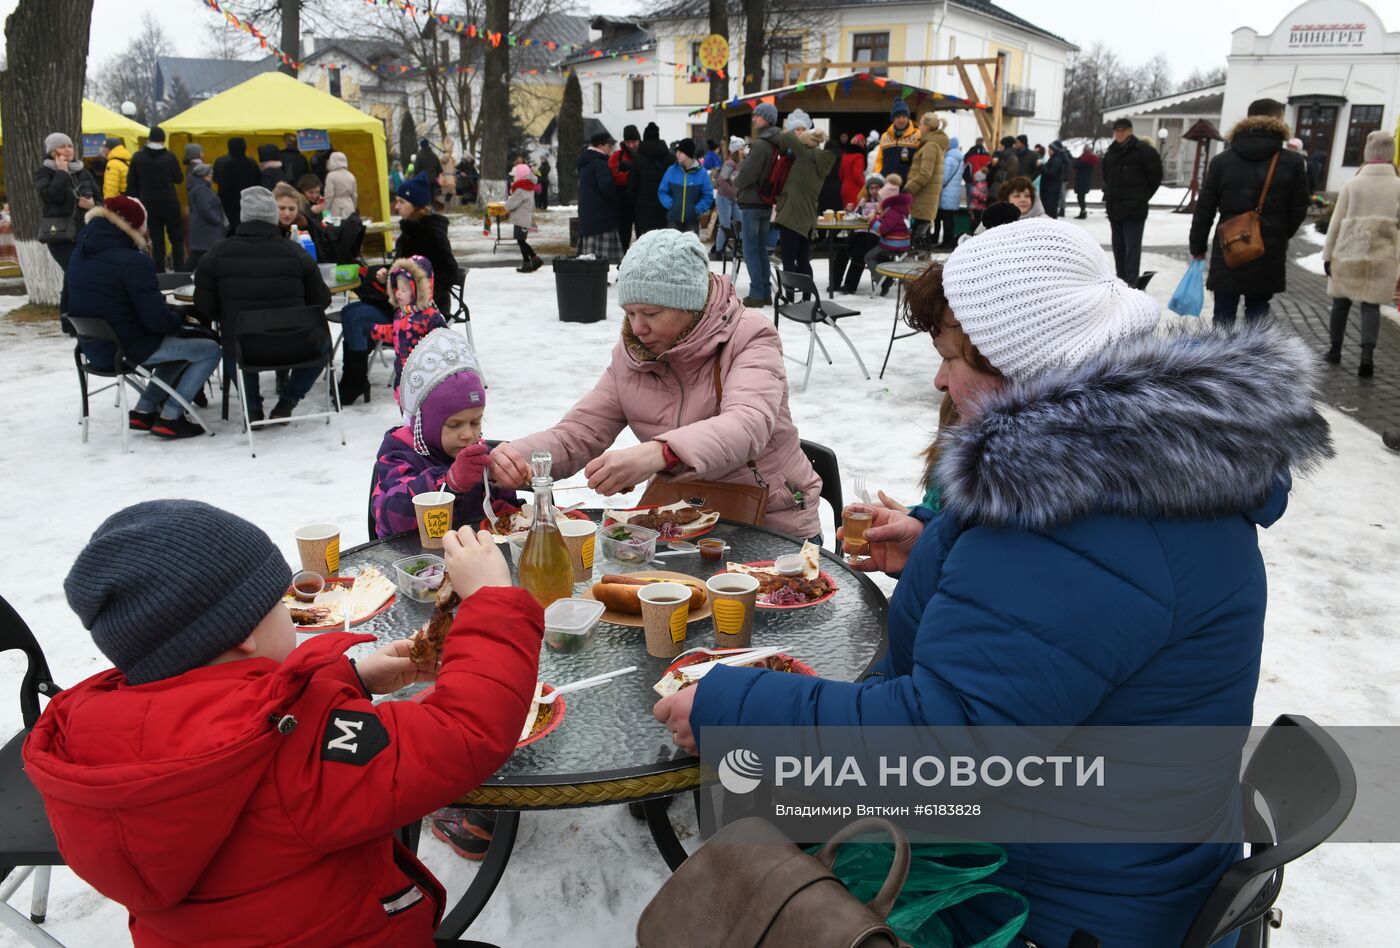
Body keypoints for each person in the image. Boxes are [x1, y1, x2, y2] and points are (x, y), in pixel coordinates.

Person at [655, 218, 1334, 948]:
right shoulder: (1146, 460)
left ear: (1024, 369)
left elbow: (947, 749)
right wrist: (940, 542)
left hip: (1047, 899)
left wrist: (735, 708)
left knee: (759, 839)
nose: (941, 379)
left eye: (951, 357)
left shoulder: (1078, 515)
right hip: (1132, 846)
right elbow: (1061, 628)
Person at [24, 499, 542, 945]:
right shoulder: (298, 759)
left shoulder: (103, 734)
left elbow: (232, 715)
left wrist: (351, 678)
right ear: (243, 635)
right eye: (280, 604)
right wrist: (491, 603)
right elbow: (463, 735)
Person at [491, 229, 822, 538]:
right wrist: (519, 458)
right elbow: (579, 432)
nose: (637, 329)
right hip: (679, 521)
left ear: (690, 305)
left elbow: (747, 424)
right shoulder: (632, 355)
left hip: (771, 524)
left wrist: (659, 453)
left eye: (650, 313)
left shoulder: (749, 336)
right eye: (630, 313)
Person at [65, 195, 219, 439]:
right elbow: (156, 320)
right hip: (127, 349)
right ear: (134, 226)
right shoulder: (133, 261)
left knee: (183, 351)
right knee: (209, 348)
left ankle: (144, 410)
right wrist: (179, 318)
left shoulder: (79, 255)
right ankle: (172, 416)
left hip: (94, 347)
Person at [193, 186, 333, 422]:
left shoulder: (216, 255)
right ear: (272, 215)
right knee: (323, 347)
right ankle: (288, 401)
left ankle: (252, 408)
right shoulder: (296, 253)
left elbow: (205, 307)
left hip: (244, 348)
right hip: (297, 344)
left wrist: (226, 315)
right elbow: (321, 300)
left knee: (233, 341)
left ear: (243, 215)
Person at [372, 328, 517, 538]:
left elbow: (503, 518)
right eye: (454, 425)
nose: (468, 434)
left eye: (475, 421)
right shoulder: (398, 454)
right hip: (418, 560)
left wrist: (504, 484)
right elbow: (390, 515)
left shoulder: (480, 456)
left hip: (481, 560)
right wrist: (449, 484)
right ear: (426, 424)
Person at [337, 171, 459, 405]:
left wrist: (418, 296)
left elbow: (447, 273)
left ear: (417, 205)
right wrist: (390, 275)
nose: (396, 206)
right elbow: (407, 268)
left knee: (354, 316)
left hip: (420, 314)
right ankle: (355, 378)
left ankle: (355, 381)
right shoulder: (412, 228)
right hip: (401, 304)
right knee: (351, 312)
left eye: (402, 201)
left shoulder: (430, 232)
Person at [1189, 98, 1309, 327]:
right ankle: (1255, 359)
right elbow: (1299, 209)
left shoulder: (1222, 161)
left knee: (1223, 313)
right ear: (1278, 120)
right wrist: (1279, 233)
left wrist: (1198, 246)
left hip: (1229, 244)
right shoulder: (1292, 162)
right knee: (1258, 310)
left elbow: (1204, 208)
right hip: (1267, 248)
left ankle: (1221, 360)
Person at [1322, 130, 1400, 378]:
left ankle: (1335, 349)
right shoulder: (1398, 185)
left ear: (1367, 153)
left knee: (1340, 303)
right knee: (1371, 307)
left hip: (1350, 249)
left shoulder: (1353, 183)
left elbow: (1336, 221)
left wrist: (1327, 254)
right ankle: (1367, 354)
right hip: (1383, 251)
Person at [771, 110, 834, 295]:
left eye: (802, 130)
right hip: (807, 218)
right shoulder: (818, 158)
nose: (797, 133)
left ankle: (789, 295)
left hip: (792, 216)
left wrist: (787, 132)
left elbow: (789, 139)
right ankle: (807, 295)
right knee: (803, 259)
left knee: (789, 260)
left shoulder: (805, 155)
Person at [368, 256, 449, 394]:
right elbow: (397, 333)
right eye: (397, 289)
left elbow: (443, 344)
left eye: (404, 290)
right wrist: (376, 330)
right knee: (406, 410)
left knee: (424, 412)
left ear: (417, 291)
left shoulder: (430, 317)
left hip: (426, 377)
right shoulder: (401, 314)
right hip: (402, 375)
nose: (398, 293)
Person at [1102, 117, 1163, 285]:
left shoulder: (1144, 151)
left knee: (1132, 251)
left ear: (1130, 131)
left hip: (1134, 210)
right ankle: (1121, 282)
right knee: (1119, 250)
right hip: (1115, 209)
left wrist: (1141, 197)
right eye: (1117, 131)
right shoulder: (1111, 153)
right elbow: (1107, 177)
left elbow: (1155, 178)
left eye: (1123, 130)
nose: (1120, 134)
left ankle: (1131, 284)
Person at [735, 102, 782, 306]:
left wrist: (738, 178)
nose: (754, 119)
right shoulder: (775, 143)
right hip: (764, 202)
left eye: (758, 116)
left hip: (752, 202)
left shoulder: (761, 145)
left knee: (751, 250)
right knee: (761, 249)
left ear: (767, 119)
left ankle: (757, 293)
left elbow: (747, 176)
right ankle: (764, 292)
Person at [34, 132, 98, 271]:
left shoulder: (83, 172)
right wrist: (62, 173)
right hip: (61, 235)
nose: (68, 150)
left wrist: (93, 205)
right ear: (52, 151)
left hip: (86, 234)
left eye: (70, 146)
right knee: (75, 271)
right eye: (62, 147)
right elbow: (50, 196)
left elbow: (101, 201)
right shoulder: (44, 172)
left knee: (78, 277)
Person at [125, 126, 184, 273]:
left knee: (157, 241)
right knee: (176, 239)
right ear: (163, 140)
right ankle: (180, 271)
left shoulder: (138, 157)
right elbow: (179, 178)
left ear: (149, 139)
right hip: (170, 202)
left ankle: (159, 272)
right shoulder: (170, 157)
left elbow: (131, 183)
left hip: (148, 203)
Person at [831, 175, 884, 295]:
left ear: (881, 188)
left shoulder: (885, 202)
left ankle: (850, 285)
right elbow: (855, 216)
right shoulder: (863, 201)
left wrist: (879, 213)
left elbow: (889, 221)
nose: (874, 191)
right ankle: (835, 282)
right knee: (843, 249)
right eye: (871, 188)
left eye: (876, 188)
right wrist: (849, 210)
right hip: (860, 231)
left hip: (875, 235)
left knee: (859, 251)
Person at [577, 131, 623, 265]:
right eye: (609, 146)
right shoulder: (600, 163)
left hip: (588, 214)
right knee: (600, 255)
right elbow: (606, 187)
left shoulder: (585, 161)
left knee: (590, 255)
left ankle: (591, 278)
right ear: (601, 146)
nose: (610, 149)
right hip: (601, 215)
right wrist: (617, 199)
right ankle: (599, 277)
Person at [903, 113, 948, 245]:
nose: (919, 128)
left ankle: (918, 265)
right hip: (924, 201)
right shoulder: (932, 144)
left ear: (928, 126)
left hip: (922, 201)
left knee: (919, 242)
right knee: (922, 239)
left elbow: (925, 174)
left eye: (921, 124)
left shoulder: (930, 146)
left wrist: (908, 188)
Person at [865, 176, 912, 296]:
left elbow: (882, 230)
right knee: (879, 255)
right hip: (903, 242)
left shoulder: (892, 212)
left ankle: (881, 278)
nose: (880, 201)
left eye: (881, 198)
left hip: (893, 244)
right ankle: (886, 278)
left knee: (869, 257)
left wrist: (873, 220)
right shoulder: (901, 209)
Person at [658, 138, 715, 234]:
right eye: (677, 151)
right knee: (673, 247)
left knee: (691, 248)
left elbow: (708, 195)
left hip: (692, 221)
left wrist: (697, 209)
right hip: (673, 220)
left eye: (681, 152)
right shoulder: (671, 170)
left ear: (688, 154)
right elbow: (662, 191)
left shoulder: (702, 173)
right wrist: (670, 204)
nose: (677, 154)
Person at [628, 123, 671, 238]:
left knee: (645, 243)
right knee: (663, 241)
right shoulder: (669, 158)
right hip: (665, 207)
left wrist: (635, 204)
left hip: (643, 210)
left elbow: (631, 186)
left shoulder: (637, 159)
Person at [184, 162, 226, 271]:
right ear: (205, 175)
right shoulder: (202, 189)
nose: (212, 175)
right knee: (201, 254)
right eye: (211, 173)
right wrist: (217, 220)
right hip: (207, 229)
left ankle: (183, 276)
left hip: (203, 228)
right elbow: (205, 209)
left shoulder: (199, 187)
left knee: (200, 255)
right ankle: (182, 277)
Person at [213, 138, 261, 230]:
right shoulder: (252, 162)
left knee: (233, 226)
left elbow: (219, 182)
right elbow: (258, 181)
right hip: (249, 200)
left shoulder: (224, 163)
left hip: (230, 202)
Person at [505, 164, 544, 272]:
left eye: (514, 176)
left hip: (521, 218)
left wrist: (505, 205)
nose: (513, 178)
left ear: (520, 176)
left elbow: (511, 204)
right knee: (521, 241)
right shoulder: (526, 186)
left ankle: (528, 263)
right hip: (523, 217)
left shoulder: (521, 189)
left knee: (521, 241)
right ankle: (535, 259)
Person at [712, 136, 745, 261]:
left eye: (743, 149)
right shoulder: (730, 163)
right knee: (725, 224)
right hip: (724, 198)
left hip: (732, 199)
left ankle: (740, 245)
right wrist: (733, 193)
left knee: (740, 221)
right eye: (740, 149)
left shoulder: (737, 164)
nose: (742, 152)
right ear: (735, 151)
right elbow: (721, 180)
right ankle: (719, 250)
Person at [872, 99, 921, 181]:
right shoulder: (885, 136)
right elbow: (879, 160)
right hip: (886, 184)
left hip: (907, 185)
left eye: (904, 116)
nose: (901, 120)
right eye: (898, 117)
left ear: (908, 117)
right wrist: (880, 175)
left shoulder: (918, 135)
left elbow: (920, 161)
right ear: (893, 119)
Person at [611, 126, 641, 251]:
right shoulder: (617, 156)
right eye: (628, 142)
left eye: (634, 142)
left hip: (640, 200)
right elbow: (614, 176)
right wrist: (633, 175)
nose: (632, 145)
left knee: (643, 235)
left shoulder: (644, 154)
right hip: (623, 202)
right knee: (623, 235)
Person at [936, 136, 964, 249]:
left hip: (947, 193)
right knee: (950, 219)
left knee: (946, 219)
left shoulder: (949, 159)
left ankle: (946, 242)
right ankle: (949, 241)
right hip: (954, 193)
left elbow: (944, 178)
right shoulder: (959, 158)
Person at [1040, 140, 1072, 219]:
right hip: (1051, 189)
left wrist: (1041, 166)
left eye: (1050, 149)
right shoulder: (1054, 159)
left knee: (1050, 211)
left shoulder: (1056, 160)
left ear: (1054, 150)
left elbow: (1051, 174)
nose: (1048, 151)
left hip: (1051, 190)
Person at [322, 151, 358, 219]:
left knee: (337, 226)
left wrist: (326, 209)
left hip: (336, 205)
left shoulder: (331, 176)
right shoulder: (351, 175)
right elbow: (354, 195)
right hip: (349, 205)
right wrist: (353, 207)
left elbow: (329, 195)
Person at [839, 133, 868, 209]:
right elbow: (857, 175)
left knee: (847, 213)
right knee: (856, 214)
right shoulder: (859, 156)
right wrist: (866, 186)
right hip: (855, 190)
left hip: (844, 188)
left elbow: (841, 175)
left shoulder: (845, 155)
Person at [1073, 145, 1100, 219]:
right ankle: (1083, 211)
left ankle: (1083, 212)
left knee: (1080, 197)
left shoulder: (1084, 159)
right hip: (1086, 180)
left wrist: (1080, 158)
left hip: (1082, 180)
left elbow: (1076, 165)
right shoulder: (1091, 159)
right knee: (1081, 197)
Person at [416, 138, 443, 204]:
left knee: (423, 195)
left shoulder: (420, 156)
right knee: (431, 195)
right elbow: (440, 169)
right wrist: (435, 176)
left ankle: (426, 209)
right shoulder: (434, 156)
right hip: (432, 179)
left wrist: (416, 178)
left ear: (421, 146)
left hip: (423, 179)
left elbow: (416, 168)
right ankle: (432, 208)